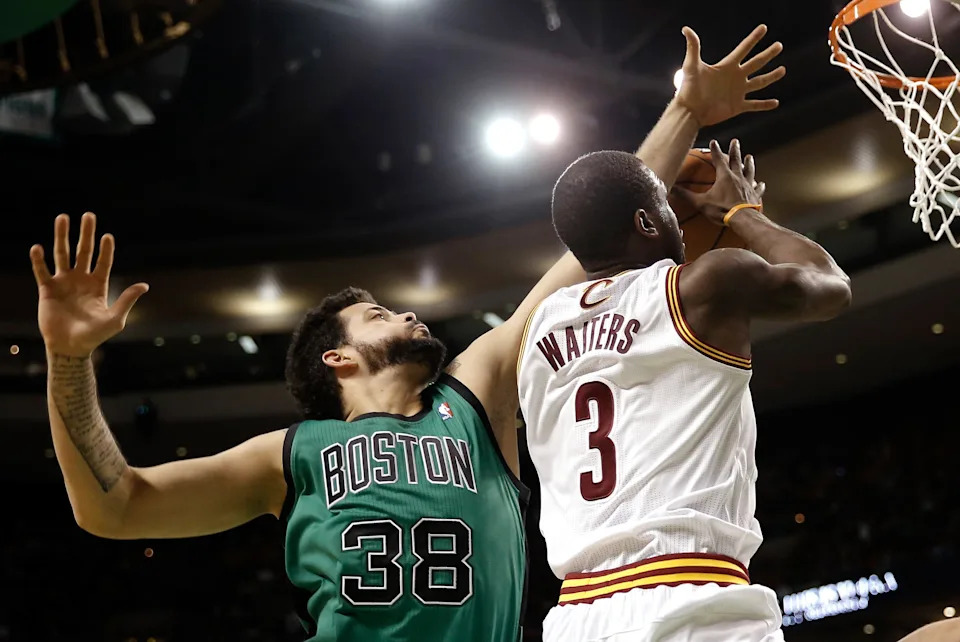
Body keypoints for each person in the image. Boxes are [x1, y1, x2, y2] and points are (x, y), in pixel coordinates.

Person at [28, 24, 785, 642]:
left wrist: (684, 109)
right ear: (338, 357)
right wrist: (67, 359)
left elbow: (583, 255)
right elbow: (114, 505)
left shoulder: (476, 396)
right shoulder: (292, 456)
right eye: (381, 315)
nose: (411, 315)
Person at [517, 137, 851, 639]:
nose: (678, 221)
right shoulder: (705, 285)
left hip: (576, 616)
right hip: (689, 593)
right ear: (647, 224)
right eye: (665, 211)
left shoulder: (534, 331)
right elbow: (829, 285)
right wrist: (739, 211)